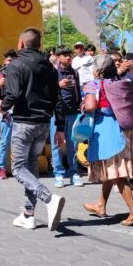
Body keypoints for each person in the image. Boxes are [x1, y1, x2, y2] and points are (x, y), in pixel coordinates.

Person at [0, 27, 65, 231]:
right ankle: (28, 214)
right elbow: (58, 98)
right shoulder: (50, 67)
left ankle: (48, 198)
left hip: (24, 123)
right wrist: (60, 127)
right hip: (44, 123)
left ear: (20, 44)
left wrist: (1, 105)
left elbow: (13, 94)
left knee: (18, 168)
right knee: (31, 165)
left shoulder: (15, 65)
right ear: (39, 45)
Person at [80, 55, 133, 226]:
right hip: (122, 128)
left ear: (97, 70)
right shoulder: (117, 82)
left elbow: (91, 106)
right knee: (111, 170)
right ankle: (101, 205)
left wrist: (84, 105)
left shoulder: (94, 84)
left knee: (117, 173)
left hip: (106, 131)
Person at [52, 47, 82, 188]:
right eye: (64, 55)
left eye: (69, 55)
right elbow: (47, 91)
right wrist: (58, 85)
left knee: (73, 144)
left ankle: (74, 172)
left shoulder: (74, 72)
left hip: (73, 112)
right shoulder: (53, 72)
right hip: (57, 114)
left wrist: (80, 103)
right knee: (57, 144)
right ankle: (58, 173)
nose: (68, 57)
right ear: (58, 57)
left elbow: (78, 91)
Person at [0, 49, 18, 179]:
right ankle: (2, 168)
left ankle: (18, 168)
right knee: (5, 141)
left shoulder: (21, 75)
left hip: (20, 113)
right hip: (6, 114)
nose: (11, 62)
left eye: (13, 60)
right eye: (9, 60)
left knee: (19, 142)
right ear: (4, 61)